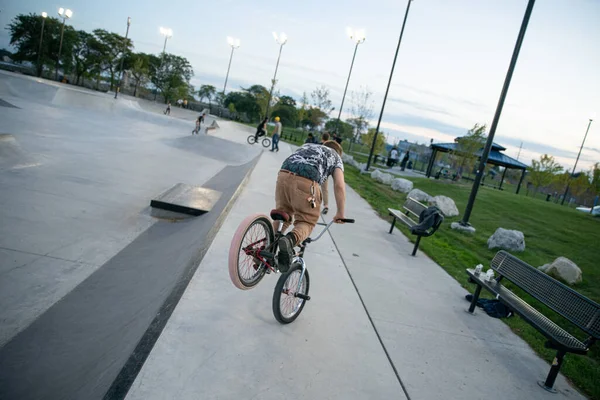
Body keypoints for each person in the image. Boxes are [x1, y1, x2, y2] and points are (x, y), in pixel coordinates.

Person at [274, 140, 347, 271]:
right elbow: (339, 186)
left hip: (283, 175)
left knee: (283, 214)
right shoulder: (336, 157)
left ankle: (268, 247)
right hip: (306, 181)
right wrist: (340, 213)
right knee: (307, 221)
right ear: (339, 153)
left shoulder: (308, 145)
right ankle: (290, 240)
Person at [320, 132, 332, 214]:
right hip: (326, 171)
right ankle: (326, 205)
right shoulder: (331, 147)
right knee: (325, 189)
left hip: (318, 169)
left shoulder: (320, 146)